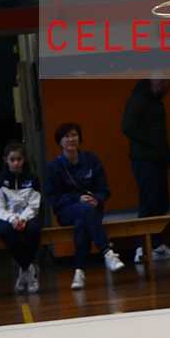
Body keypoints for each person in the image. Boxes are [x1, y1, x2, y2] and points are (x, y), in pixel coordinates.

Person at [45, 123, 125, 290]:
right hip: (66, 211)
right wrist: (77, 199)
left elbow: (104, 190)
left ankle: (79, 272)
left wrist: (97, 199)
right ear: (60, 141)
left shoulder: (92, 159)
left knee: (82, 222)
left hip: (92, 208)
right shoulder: (53, 167)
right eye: (66, 136)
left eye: (74, 135)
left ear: (80, 138)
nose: (71, 139)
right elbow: (53, 198)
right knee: (85, 211)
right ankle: (107, 251)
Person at [122, 78, 170, 263]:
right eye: (163, 84)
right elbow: (127, 127)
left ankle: (156, 245)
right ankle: (142, 248)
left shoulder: (156, 102)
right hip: (144, 160)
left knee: (161, 202)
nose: (165, 88)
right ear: (153, 81)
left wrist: (168, 159)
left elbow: (161, 134)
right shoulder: (139, 99)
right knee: (149, 202)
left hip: (157, 159)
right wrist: (152, 144)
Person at [0, 141, 41, 294]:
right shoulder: (0, 180)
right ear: (6, 160)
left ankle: (24, 270)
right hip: (7, 218)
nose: (16, 163)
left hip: (28, 216)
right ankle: (27, 267)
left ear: (24, 160)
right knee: (4, 231)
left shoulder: (33, 179)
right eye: (12, 159)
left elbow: (34, 205)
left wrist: (22, 219)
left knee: (34, 230)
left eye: (19, 159)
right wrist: (13, 219)